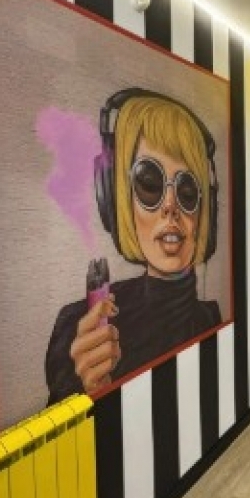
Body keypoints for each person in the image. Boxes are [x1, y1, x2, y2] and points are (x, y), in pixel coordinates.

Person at [45, 90, 221, 402]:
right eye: (149, 183)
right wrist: (82, 391)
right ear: (115, 199)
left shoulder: (211, 319)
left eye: (187, 191)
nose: (170, 206)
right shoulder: (77, 328)